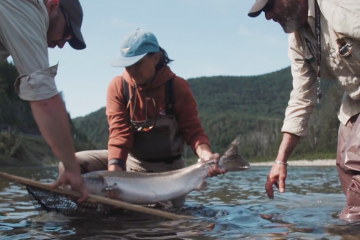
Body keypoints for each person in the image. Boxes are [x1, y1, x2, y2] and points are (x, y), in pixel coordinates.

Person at [61, 29, 224, 207]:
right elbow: (118, 136)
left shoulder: (177, 87)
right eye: (127, 64)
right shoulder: (118, 87)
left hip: (169, 172)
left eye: (136, 63)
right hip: (130, 163)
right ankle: (90, 213)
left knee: (159, 225)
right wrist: (114, 179)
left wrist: (206, 156)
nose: (131, 70)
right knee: (71, 164)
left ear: (155, 58)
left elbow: (193, 131)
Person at [248, 0, 360, 221]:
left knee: (354, 159)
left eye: (270, 7)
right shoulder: (297, 43)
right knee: (343, 164)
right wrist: (280, 161)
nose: (269, 17)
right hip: (355, 97)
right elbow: (301, 98)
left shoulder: (340, 5)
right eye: (264, 13)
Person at [0, 0, 88, 201]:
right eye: (66, 33)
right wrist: (73, 169)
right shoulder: (30, 8)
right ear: (53, 5)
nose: (60, 45)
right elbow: (44, 101)